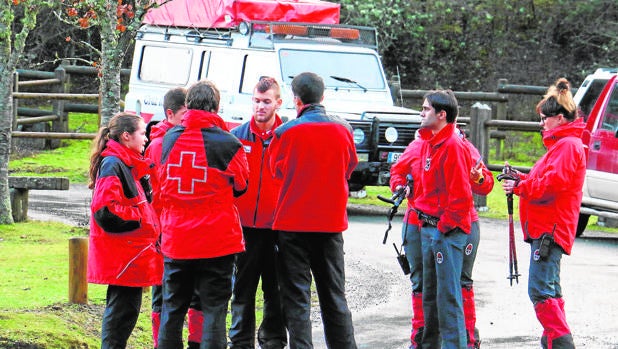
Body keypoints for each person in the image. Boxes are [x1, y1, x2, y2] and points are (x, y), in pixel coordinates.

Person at [156, 80, 249, 349]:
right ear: (217, 107)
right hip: (217, 240)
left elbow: (162, 183)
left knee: (172, 309)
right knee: (214, 311)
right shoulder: (229, 143)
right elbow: (241, 186)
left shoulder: (169, 138)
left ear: (187, 106)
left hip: (176, 238)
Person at [268, 72, 358, 349]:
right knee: (334, 295)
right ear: (323, 96)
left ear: (296, 100)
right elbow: (350, 167)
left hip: (293, 225)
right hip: (330, 225)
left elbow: (276, 171)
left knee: (297, 297)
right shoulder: (343, 130)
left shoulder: (284, 133)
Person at [501, 78, 585, 349]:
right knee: (550, 290)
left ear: (559, 119)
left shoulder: (567, 147)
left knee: (539, 290)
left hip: (551, 229)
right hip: (547, 228)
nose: (541, 124)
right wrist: (520, 178)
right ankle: (552, 342)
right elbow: (543, 179)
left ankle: (561, 343)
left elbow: (550, 186)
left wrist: (520, 186)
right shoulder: (560, 147)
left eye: (544, 119)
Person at [390, 127, 492, 349]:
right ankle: (422, 340)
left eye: (427, 110)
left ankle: (468, 340)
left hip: (458, 224)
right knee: (421, 284)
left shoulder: (462, 146)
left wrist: (479, 178)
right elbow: (397, 171)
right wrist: (400, 186)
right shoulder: (417, 146)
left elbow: (485, 184)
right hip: (417, 224)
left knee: (460, 283)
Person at [87, 112, 163, 349]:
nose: (146, 139)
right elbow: (105, 210)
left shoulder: (126, 163)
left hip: (131, 255)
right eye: (142, 133)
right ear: (126, 136)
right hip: (123, 256)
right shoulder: (114, 163)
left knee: (126, 313)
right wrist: (141, 217)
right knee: (120, 315)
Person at [229, 77, 287, 349]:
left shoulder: (288, 136)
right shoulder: (237, 136)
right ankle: (240, 340)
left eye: (266, 101)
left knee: (275, 288)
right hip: (244, 227)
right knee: (243, 286)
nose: (260, 106)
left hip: (278, 226)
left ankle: (273, 339)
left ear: (278, 102)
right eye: (256, 100)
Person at [144, 87, 204, 349]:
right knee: (164, 293)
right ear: (170, 114)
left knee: (194, 293)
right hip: (164, 231)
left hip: (184, 230)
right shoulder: (160, 145)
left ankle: (195, 341)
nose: (189, 118)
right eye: (184, 113)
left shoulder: (180, 139)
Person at [413, 90, 473, 348]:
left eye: (426, 109)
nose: (421, 112)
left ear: (442, 114)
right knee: (430, 297)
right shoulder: (428, 143)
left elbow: (461, 197)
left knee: (448, 298)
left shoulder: (453, 146)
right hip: (427, 226)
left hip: (445, 231)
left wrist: (442, 228)